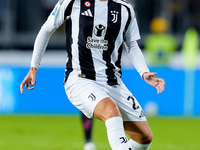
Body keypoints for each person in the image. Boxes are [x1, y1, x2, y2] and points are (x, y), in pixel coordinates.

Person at [20, 0, 165, 149]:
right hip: (80, 79)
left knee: (144, 137)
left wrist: (143, 72)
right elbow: (46, 30)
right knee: (110, 110)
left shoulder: (125, 9)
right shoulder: (72, 2)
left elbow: (132, 45)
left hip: (113, 81)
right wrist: (34, 67)